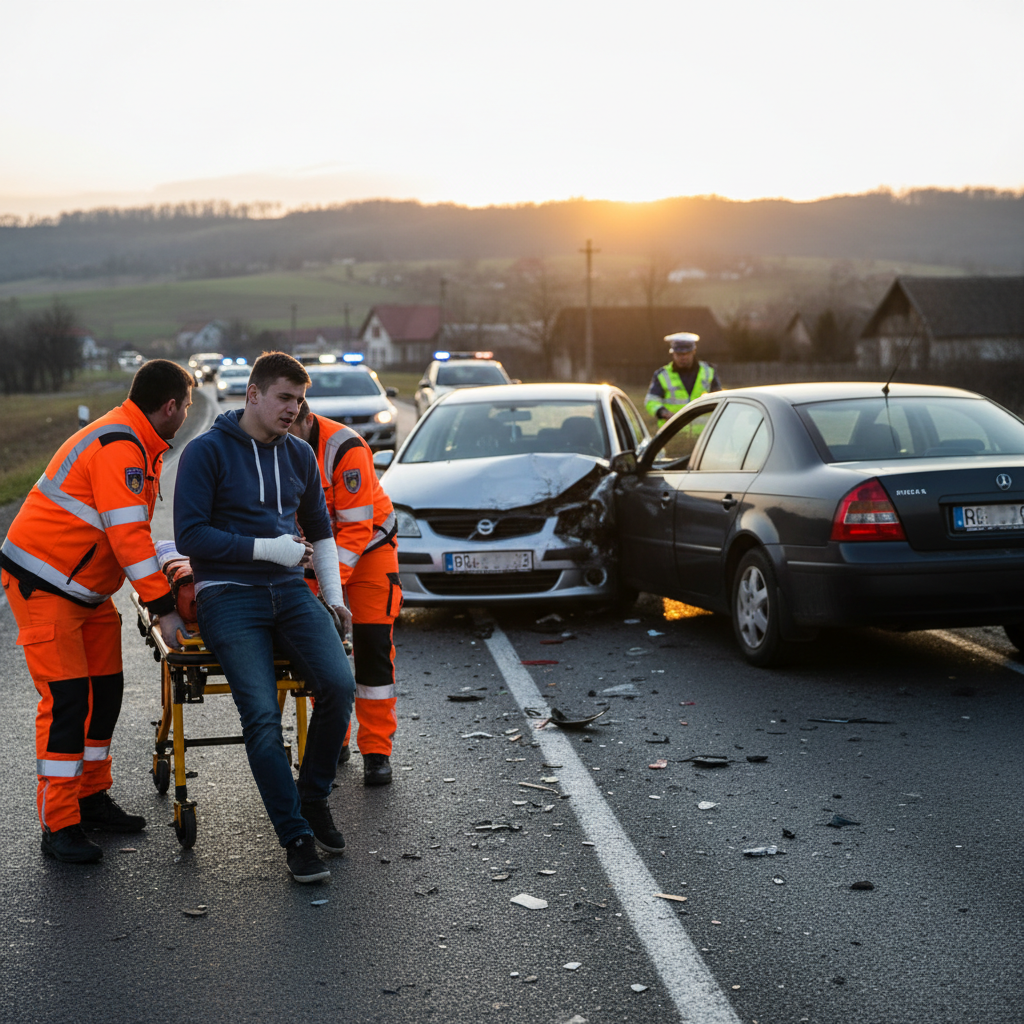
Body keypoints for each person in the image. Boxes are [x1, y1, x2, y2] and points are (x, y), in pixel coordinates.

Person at [1, 359, 194, 864]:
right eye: (187, 405)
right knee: (67, 702)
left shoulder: (139, 442)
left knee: (105, 691)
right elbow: (128, 538)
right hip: (44, 586)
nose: (187, 413)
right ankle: (59, 824)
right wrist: (163, 608)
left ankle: (90, 797)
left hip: (84, 592)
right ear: (169, 406)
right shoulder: (119, 445)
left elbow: (128, 535)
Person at [173, 351, 356, 884]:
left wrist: (334, 594)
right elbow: (191, 536)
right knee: (260, 715)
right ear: (252, 395)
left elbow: (320, 531)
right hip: (228, 595)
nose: (293, 409)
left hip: (291, 593)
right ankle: (295, 836)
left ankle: (313, 796)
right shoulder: (206, 452)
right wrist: (268, 550)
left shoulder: (300, 454)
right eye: (284, 397)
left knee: (339, 686)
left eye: (300, 400)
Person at [288, 399, 400, 787]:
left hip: (369, 550)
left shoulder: (344, 448)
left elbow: (355, 531)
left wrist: (327, 588)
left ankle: (377, 750)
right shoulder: (276, 442)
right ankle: (335, 738)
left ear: (305, 419)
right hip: (318, 555)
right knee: (323, 649)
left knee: (372, 649)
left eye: (290, 430)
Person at [644, 332, 722, 424]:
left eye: (686, 353)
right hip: (673, 434)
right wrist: (663, 412)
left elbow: (719, 398)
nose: (683, 357)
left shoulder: (709, 371)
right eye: (679, 354)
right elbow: (651, 401)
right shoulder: (662, 375)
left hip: (703, 435)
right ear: (672, 353)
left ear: (694, 351)